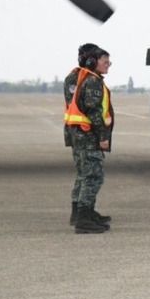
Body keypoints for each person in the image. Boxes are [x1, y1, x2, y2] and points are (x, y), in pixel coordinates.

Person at [63, 44, 114, 234]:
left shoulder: (73, 77)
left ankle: (80, 213)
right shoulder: (92, 81)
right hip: (88, 134)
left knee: (83, 174)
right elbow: (94, 112)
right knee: (93, 176)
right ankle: (84, 219)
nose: (108, 65)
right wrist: (102, 137)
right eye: (105, 61)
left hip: (75, 133)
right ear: (92, 62)